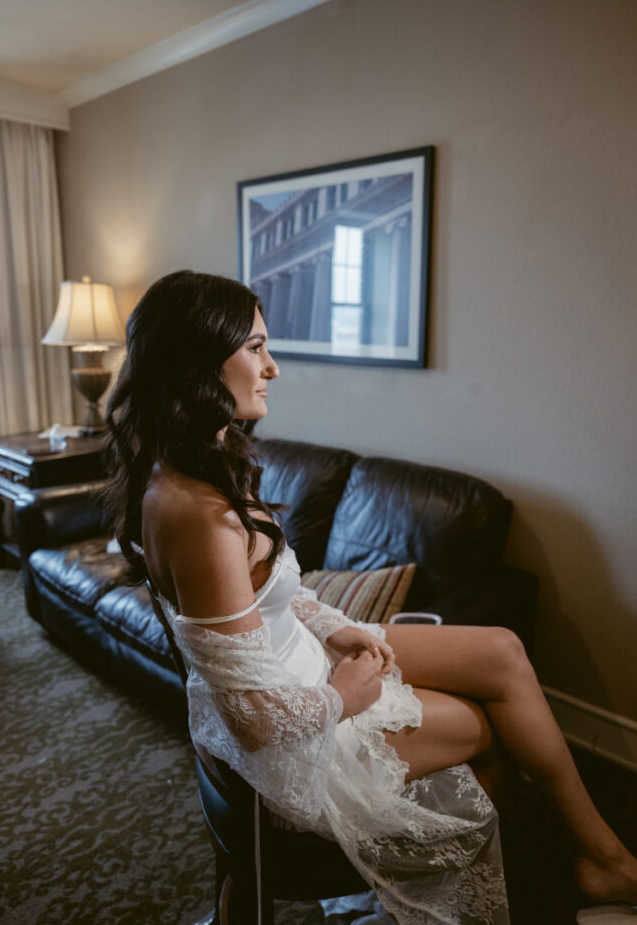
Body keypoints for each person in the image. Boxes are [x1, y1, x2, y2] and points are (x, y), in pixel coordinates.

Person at [105, 270, 637, 925]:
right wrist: (345, 696)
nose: (271, 367)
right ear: (197, 362)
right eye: (254, 348)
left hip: (302, 666)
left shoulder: (197, 464)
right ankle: (425, 881)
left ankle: (596, 854)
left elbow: (268, 596)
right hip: (293, 727)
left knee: (500, 650)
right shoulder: (198, 514)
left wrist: (333, 628)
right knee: (489, 729)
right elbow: (252, 717)